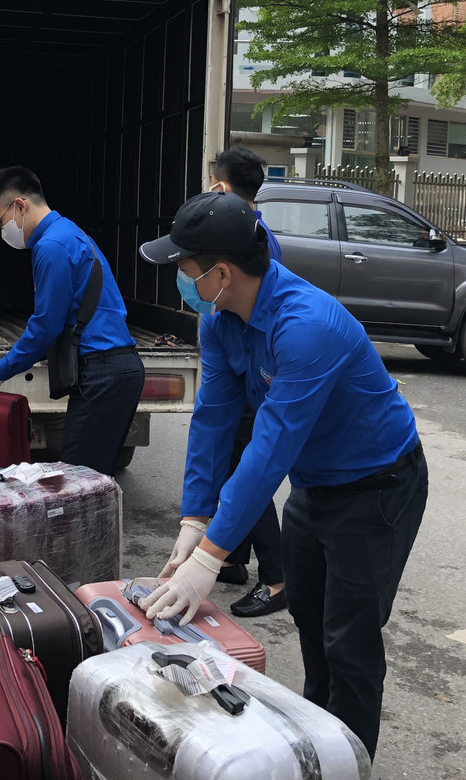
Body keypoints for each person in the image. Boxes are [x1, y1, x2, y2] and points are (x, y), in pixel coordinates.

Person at [138, 190, 426, 761]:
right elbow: (214, 420)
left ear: (222, 273)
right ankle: (319, 750)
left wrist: (210, 558)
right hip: (313, 486)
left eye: (186, 269)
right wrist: (195, 519)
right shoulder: (221, 320)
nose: (182, 281)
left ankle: (349, 764)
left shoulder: (307, 326)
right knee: (313, 629)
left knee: (350, 643)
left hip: (376, 489)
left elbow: (269, 450)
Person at [0, 167, 145, 476]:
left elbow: (45, 327)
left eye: (0, 220)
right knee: (93, 481)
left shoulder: (51, 246)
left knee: (77, 484)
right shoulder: (68, 233)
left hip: (103, 374)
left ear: (20, 206)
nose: (1, 229)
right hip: (115, 371)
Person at [207, 147, 287, 618]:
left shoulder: (251, 239)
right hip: (242, 371)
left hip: (251, 377)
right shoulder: (251, 231)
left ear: (220, 187)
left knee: (246, 473)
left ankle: (277, 578)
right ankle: (234, 558)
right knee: (232, 466)